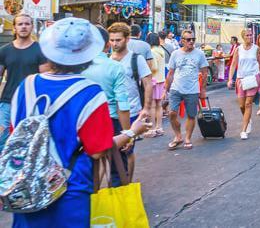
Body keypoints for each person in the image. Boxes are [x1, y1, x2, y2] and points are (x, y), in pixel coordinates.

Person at [7, 17, 151, 227]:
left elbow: (17, 133)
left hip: (27, 185)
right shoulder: (89, 92)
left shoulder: (26, 85)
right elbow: (98, 150)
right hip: (68, 188)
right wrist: (131, 132)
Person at [107, 22, 152, 180]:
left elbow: (147, 82)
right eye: (112, 40)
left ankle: (128, 182)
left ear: (126, 39)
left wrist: (146, 108)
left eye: (118, 40)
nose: (114, 43)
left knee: (127, 149)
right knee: (111, 149)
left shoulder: (135, 59)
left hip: (131, 111)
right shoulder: (107, 59)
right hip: (110, 113)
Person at [0, 14, 48, 152]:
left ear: (32, 27)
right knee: (2, 139)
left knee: (28, 140)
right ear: (14, 28)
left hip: (32, 102)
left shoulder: (40, 50)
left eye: (27, 24)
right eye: (20, 24)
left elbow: (43, 79)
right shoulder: (5, 51)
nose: (23, 27)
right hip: (7, 102)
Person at [166, 29, 209, 150]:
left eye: (193, 39)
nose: (191, 42)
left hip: (192, 90)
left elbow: (205, 73)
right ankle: (178, 136)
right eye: (188, 39)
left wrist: (203, 90)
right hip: (176, 88)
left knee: (191, 115)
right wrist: (166, 89)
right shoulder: (175, 54)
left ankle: (187, 138)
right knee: (172, 114)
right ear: (182, 41)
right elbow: (170, 73)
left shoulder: (199, 54)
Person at [228, 29, 260, 139]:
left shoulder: (256, 48)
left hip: (253, 78)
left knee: (248, 104)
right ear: (243, 37)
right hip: (241, 79)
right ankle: (248, 120)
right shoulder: (238, 49)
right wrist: (230, 79)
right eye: (247, 35)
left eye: (251, 35)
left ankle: (244, 130)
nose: (249, 37)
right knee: (241, 105)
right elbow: (233, 64)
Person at [145, 33, 167, 137]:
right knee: (159, 105)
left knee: (152, 106)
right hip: (161, 80)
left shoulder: (152, 52)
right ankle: (159, 127)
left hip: (154, 81)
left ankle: (152, 129)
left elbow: (154, 67)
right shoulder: (161, 51)